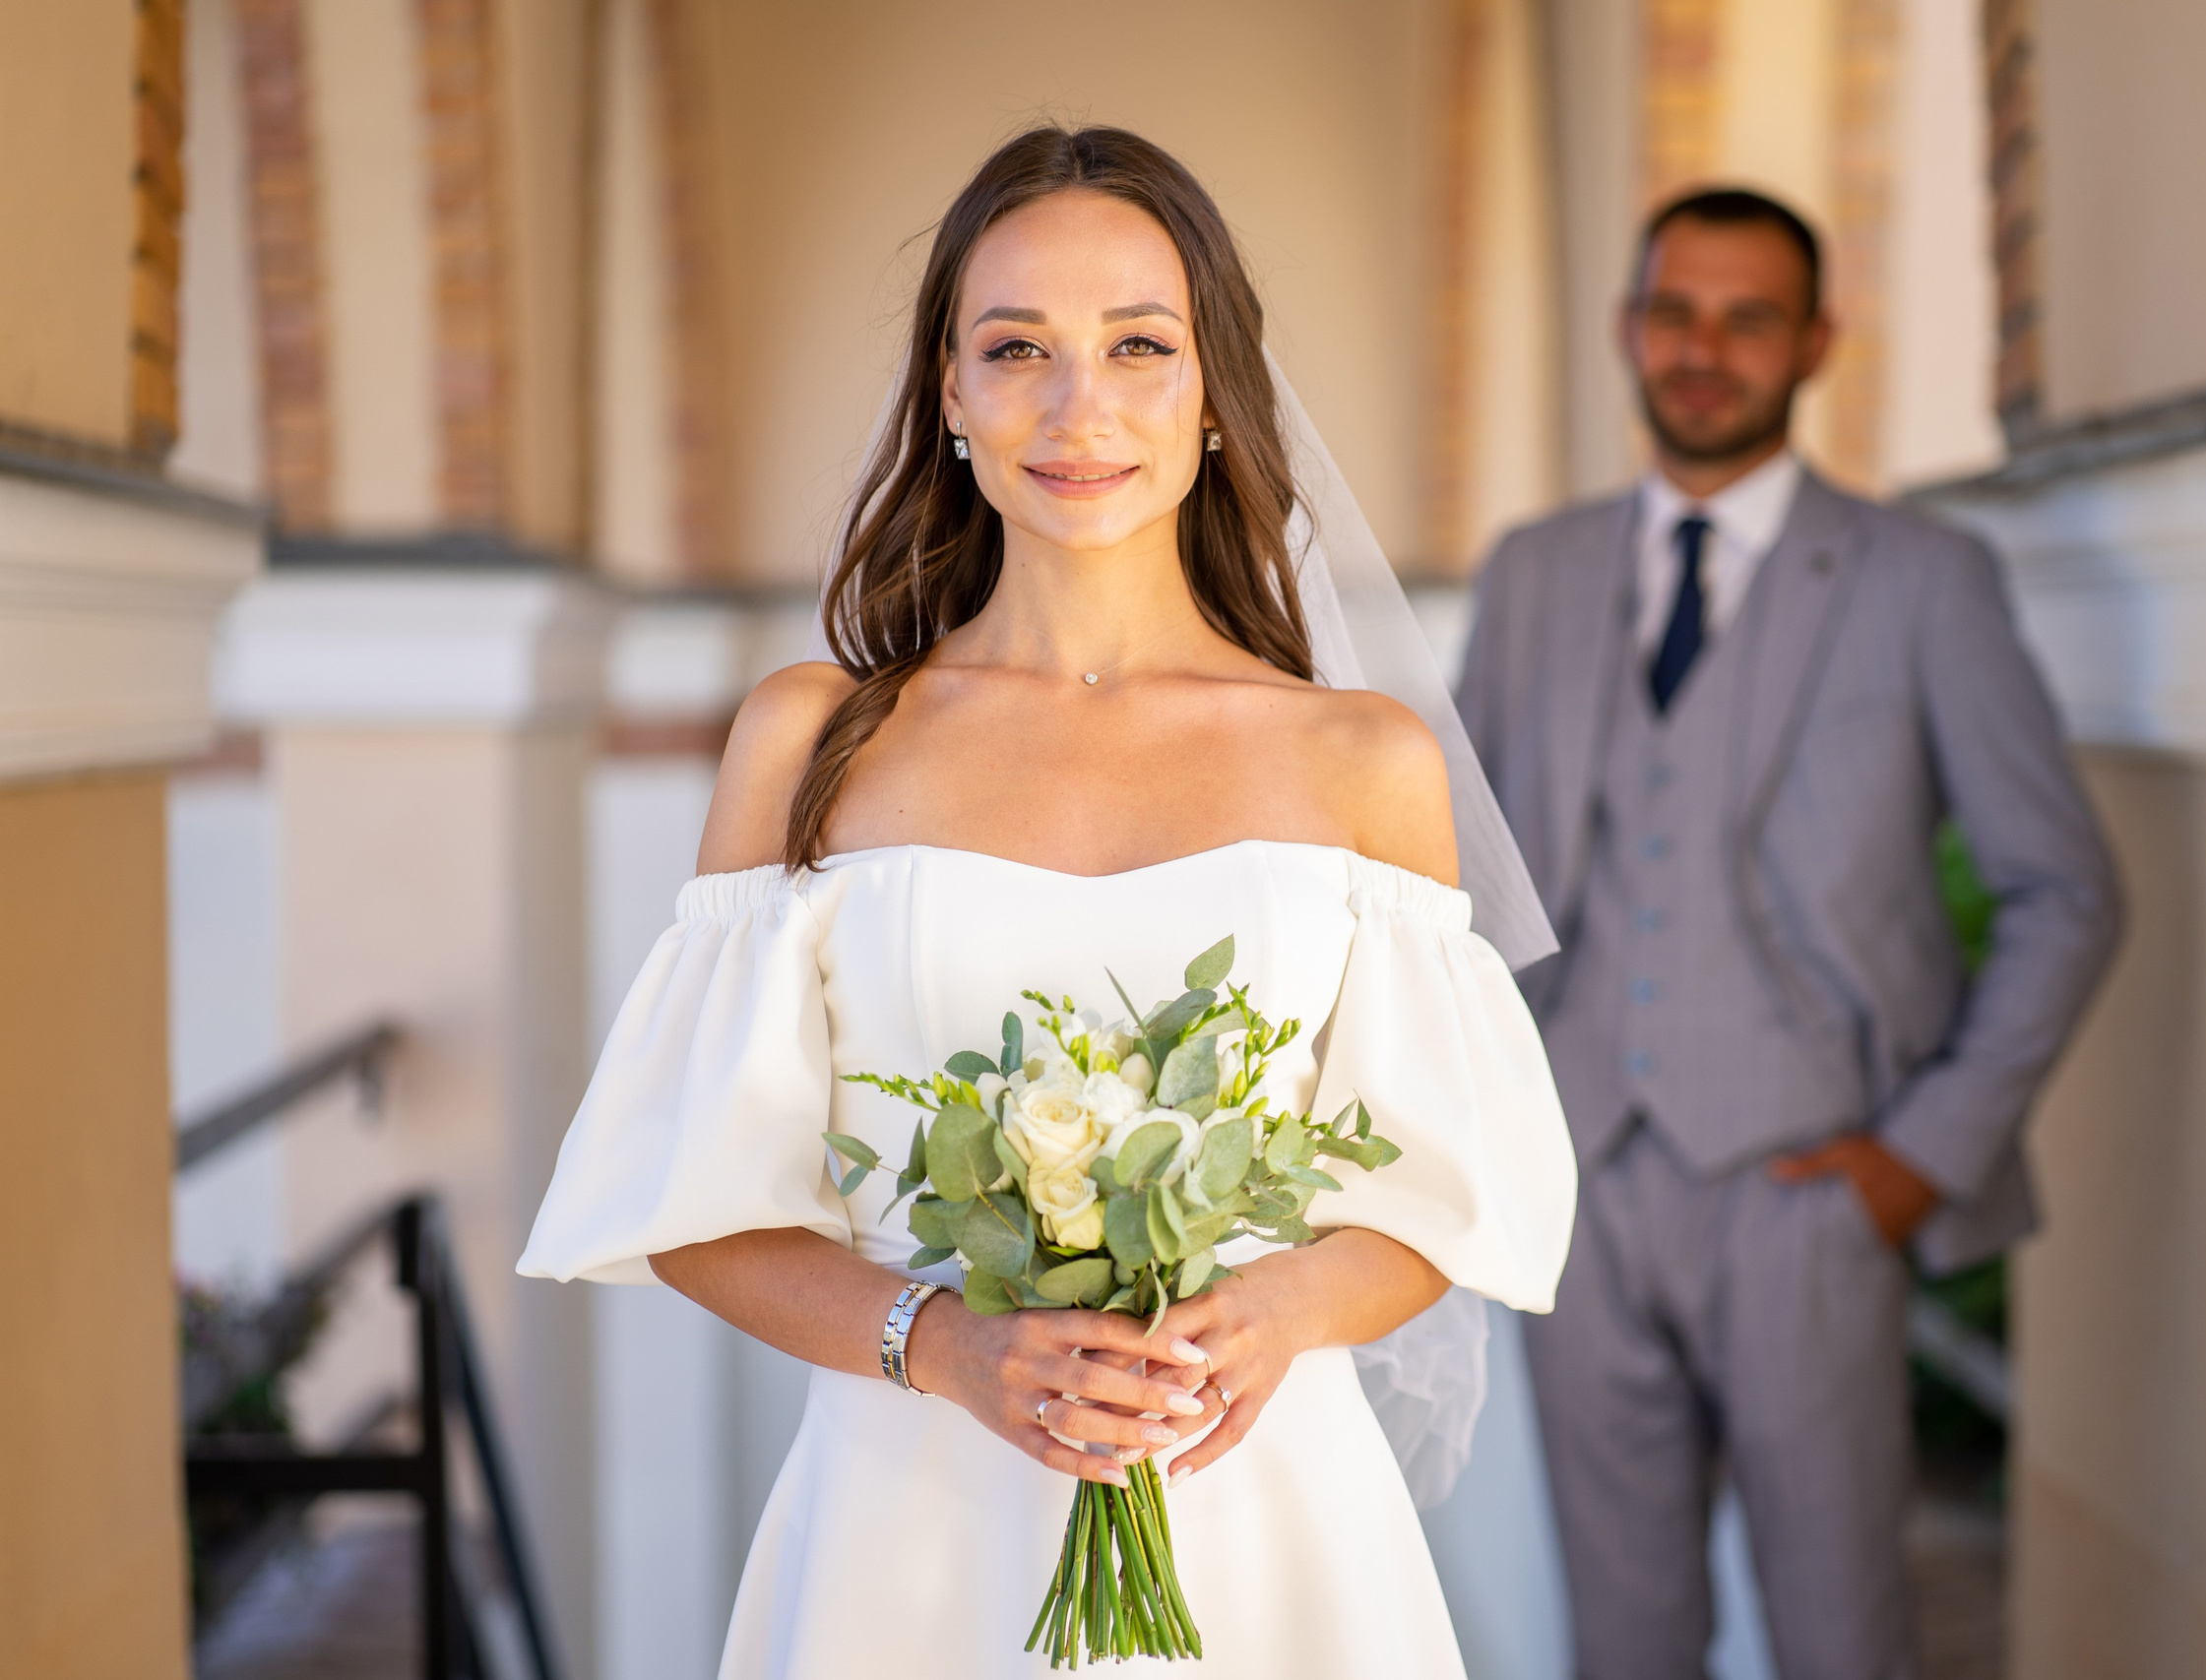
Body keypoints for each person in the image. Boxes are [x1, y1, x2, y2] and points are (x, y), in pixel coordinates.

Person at [517, 126, 1576, 1678]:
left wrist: (1280, 1310)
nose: (1079, 407)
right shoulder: (812, 741)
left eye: (1138, 345)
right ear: (949, 392)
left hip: (1258, 1518)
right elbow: (695, 1209)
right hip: (911, 1530)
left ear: (1213, 391)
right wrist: (946, 1346)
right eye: (1017, 348)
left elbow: (1433, 1202)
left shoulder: (1365, 761)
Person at [1456, 188, 2121, 1678]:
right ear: (1630, 328)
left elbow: (2065, 892)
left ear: (1816, 342)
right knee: (1622, 1635)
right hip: (1576, 1186)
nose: (1703, 349)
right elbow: (1459, 877)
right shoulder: (1534, 572)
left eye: (1746, 318)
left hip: (1811, 1189)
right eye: (1674, 312)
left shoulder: (1920, 582)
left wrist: (1919, 1156)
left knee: (1840, 1630)